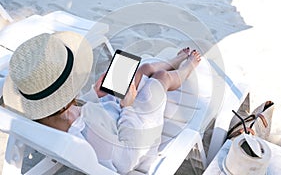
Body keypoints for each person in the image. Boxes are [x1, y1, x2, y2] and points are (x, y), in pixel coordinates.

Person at [3, 31, 201, 174]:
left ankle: (174, 61)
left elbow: (74, 113)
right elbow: (126, 160)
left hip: (107, 113)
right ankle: (186, 67)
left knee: (141, 69)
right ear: (63, 102)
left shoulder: (42, 117)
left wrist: (93, 96)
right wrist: (128, 106)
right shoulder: (88, 138)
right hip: (131, 132)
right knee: (160, 78)